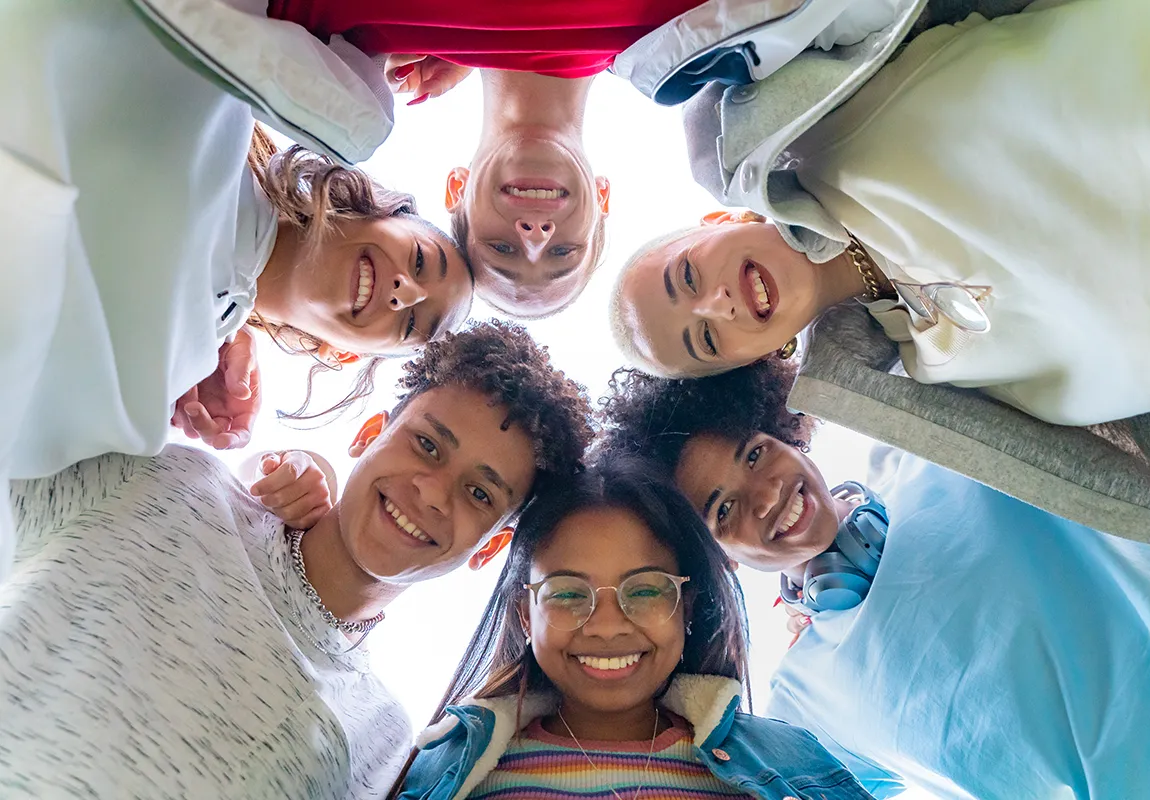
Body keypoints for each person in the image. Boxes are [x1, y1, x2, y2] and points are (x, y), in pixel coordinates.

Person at [0, 321, 594, 799]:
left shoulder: (384, 740)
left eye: (480, 493)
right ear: (367, 434)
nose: (434, 492)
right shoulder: (169, 476)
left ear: (488, 547)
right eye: (427, 444)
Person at [0, 0, 475, 577]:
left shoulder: (174, 383)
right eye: (421, 261)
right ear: (374, 209)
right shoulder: (222, 98)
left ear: (349, 353)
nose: (405, 294)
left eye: (410, 324)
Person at [600, 360, 1150, 798]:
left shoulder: (928, 444)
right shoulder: (803, 699)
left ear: (785, 430)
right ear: (718, 559)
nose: (764, 495)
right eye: (722, 510)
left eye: (755, 454)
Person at [610, 0, 1150, 427]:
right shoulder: (940, 371)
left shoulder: (836, 119)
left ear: (719, 222)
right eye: (707, 338)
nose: (719, 303)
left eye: (687, 277)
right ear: (759, 356)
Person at [392, 457, 875, 799]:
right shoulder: (450, 772)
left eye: (644, 590)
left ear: (687, 607)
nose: (606, 627)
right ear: (524, 613)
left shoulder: (788, 761)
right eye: (566, 592)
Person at [266, 0, 712, 318]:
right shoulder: (680, 29)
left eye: (502, 248)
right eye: (563, 251)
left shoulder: (350, 27)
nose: (534, 235)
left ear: (456, 189)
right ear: (602, 195)